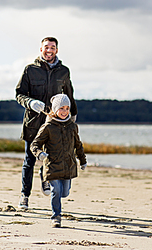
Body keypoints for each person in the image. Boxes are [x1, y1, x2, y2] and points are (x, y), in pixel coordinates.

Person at [15, 36, 78, 209]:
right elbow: (19, 94)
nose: (49, 50)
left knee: (52, 156)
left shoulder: (64, 71)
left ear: (56, 50)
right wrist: (30, 103)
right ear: (40, 49)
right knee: (29, 159)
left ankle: (45, 176)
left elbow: (69, 95)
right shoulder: (30, 70)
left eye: (52, 47)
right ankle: (24, 196)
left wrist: (72, 116)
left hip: (55, 124)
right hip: (33, 122)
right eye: (46, 47)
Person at [30, 94, 87, 227]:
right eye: (61, 108)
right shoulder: (48, 127)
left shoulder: (72, 126)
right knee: (55, 191)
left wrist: (82, 160)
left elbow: (78, 145)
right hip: (52, 164)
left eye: (67, 108)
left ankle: (42, 176)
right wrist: (39, 154)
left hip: (68, 165)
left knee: (64, 193)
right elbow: (34, 144)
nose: (65, 111)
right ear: (55, 110)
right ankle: (56, 217)